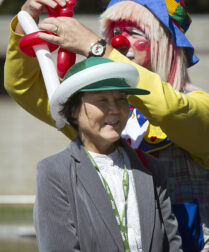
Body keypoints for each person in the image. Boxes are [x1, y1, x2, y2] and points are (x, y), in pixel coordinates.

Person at [4, 0, 209, 251]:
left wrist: (97, 48)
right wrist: (26, 21)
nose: (120, 41)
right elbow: (25, 87)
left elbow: (169, 109)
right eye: (115, 32)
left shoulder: (197, 105)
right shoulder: (100, 116)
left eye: (135, 32)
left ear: (166, 44)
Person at [33, 56, 182, 252]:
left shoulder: (151, 169)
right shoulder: (55, 173)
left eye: (121, 99)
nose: (115, 110)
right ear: (74, 110)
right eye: (102, 100)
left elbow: (172, 245)